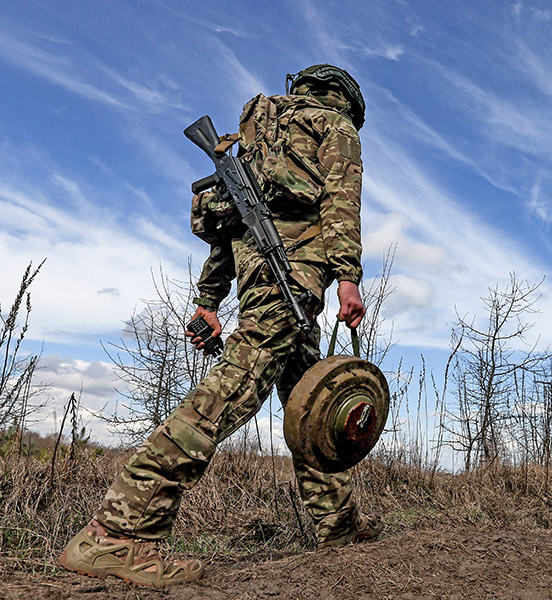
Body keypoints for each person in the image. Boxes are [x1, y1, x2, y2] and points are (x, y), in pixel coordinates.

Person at [59, 64, 381, 587]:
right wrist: (347, 277)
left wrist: (209, 299)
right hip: (294, 277)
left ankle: (340, 526)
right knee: (230, 391)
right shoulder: (333, 127)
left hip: (264, 274)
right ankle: (120, 534)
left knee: (312, 402)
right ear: (344, 99)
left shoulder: (259, 137)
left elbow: (233, 223)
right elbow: (342, 203)